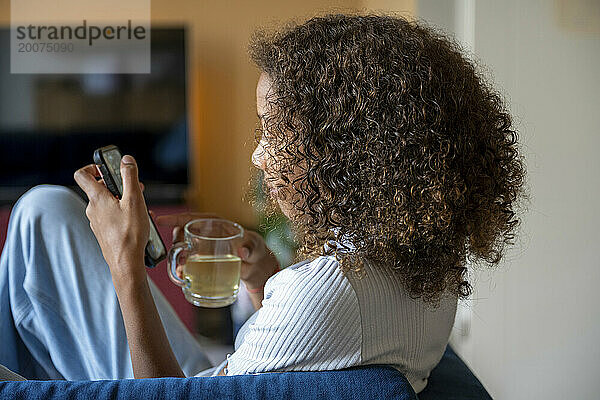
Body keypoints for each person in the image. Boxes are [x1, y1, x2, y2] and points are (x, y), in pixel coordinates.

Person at [0, 14, 525, 394]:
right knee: (47, 210)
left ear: (343, 151)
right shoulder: (418, 260)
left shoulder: (329, 295)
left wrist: (126, 264)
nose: (258, 154)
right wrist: (264, 277)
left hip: (181, 382)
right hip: (217, 371)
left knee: (37, 216)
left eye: (275, 134)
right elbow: (285, 360)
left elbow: (166, 392)